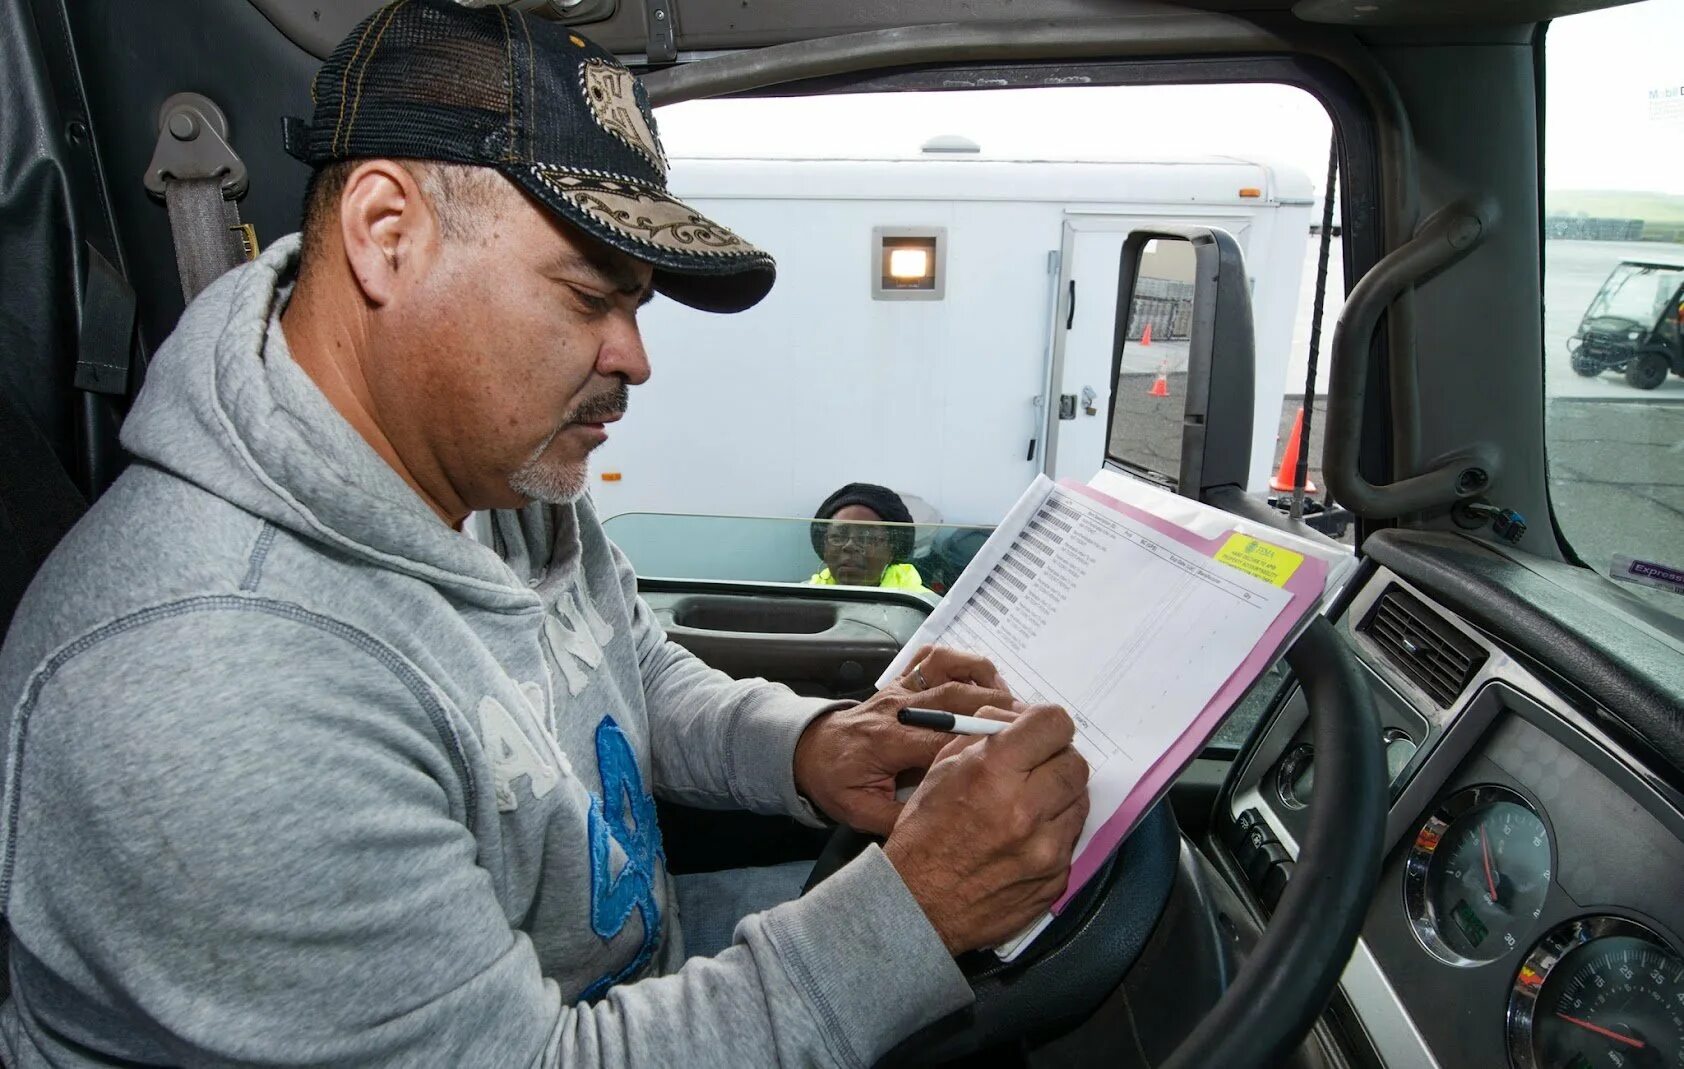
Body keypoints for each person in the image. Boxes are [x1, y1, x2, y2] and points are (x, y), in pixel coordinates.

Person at [0, 5, 1090, 1067]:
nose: (634, 356)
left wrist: (809, 748)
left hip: (614, 975)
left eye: (639, 305)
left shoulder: (497, 463)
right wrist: (911, 916)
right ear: (387, 238)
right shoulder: (211, 687)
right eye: (584, 297)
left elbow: (625, 671)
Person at [809, 482, 929, 591]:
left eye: (866, 537)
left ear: (892, 549)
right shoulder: (804, 600)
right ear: (824, 546)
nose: (850, 546)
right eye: (838, 536)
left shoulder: (925, 609)